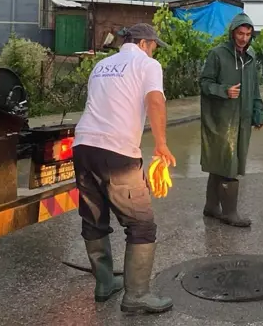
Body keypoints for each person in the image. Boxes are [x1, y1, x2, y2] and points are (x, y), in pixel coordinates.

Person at [72, 23, 175, 314]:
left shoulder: (102, 65)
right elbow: (155, 100)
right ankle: (137, 295)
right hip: (116, 154)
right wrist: (161, 145)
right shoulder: (147, 64)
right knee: (141, 224)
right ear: (144, 43)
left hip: (83, 148)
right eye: (154, 45)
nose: (154, 50)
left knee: (94, 218)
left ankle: (105, 283)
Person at [199, 13, 263, 228]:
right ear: (232, 33)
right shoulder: (217, 54)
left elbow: (254, 87)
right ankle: (229, 212)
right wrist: (223, 91)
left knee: (225, 162)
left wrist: (258, 112)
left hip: (242, 119)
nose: (244, 38)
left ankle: (211, 207)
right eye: (240, 33)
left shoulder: (251, 57)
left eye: (247, 34)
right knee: (227, 163)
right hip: (221, 120)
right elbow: (204, 83)